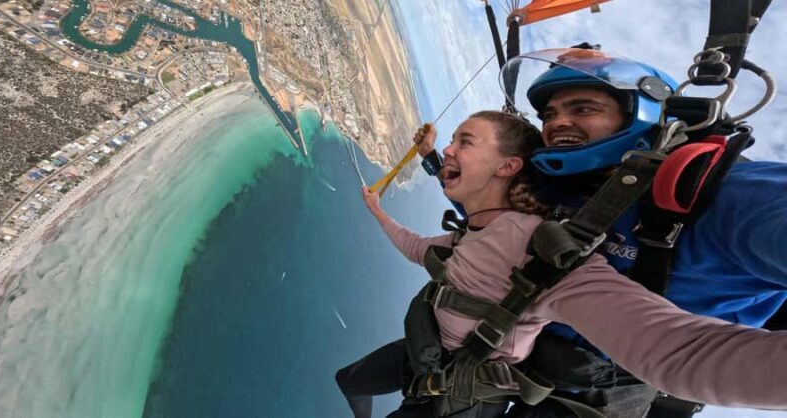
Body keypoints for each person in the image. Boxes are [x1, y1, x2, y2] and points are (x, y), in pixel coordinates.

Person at [336, 110, 787, 418]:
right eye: (549, 114)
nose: (558, 123)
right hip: (484, 358)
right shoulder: (560, 193)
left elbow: (677, 355)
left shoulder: (740, 201)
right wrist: (430, 160)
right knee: (352, 380)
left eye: (584, 107)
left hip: (582, 390)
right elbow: (482, 197)